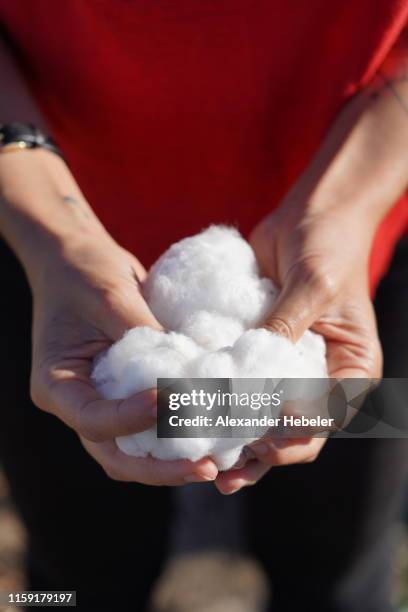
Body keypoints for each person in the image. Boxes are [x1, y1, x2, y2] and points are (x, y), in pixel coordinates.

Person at [0, 2, 407, 610]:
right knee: (71, 581)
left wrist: (346, 209)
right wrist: (55, 235)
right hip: (45, 263)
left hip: (345, 279)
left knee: (341, 574)